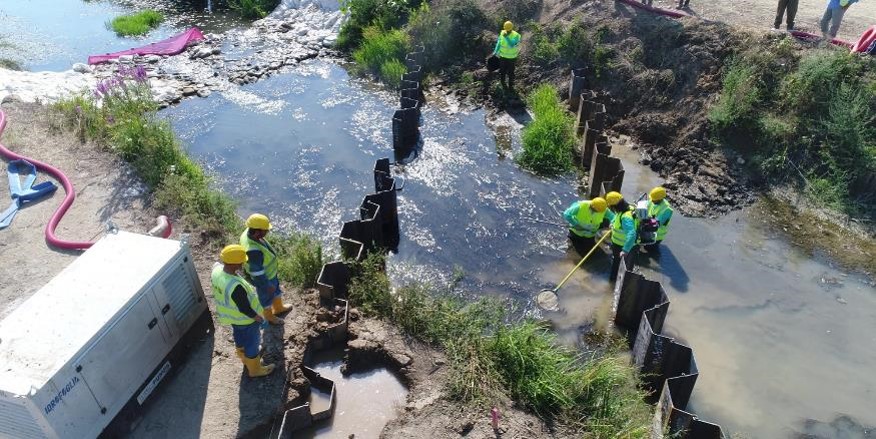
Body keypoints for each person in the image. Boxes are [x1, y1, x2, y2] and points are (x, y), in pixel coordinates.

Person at [211, 244, 276, 378]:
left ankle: (244, 357)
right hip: (246, 320)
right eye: (241, 261)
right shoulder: (236, 286)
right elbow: (245, 308)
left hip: (233, 319)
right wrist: (260, 319)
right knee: (253, 342)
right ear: (234, 263)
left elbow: (215, 265)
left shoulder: (216, 271)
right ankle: (255, 369)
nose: (242, 264)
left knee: (239, 337)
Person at [240, 213, 293, 326]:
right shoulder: (253, 251)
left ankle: (278, 308)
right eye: (265, 230)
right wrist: (266, 285)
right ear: (258, 231)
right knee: (266, 297)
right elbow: (257, 273)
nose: (267, 232)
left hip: (270, 274)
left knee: (276, 290)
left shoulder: (248, 232)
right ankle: (269, 317)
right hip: (264, 279)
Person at [604, 191, 638, 282]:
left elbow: (632, 234)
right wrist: (612, 223)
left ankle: (613, 283)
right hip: (620, 245)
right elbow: (617, 216)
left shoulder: (626, 217)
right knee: (620, 265)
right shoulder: (628, 208)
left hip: (623, 246)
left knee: (619, 268)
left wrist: (625, 250)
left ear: (614, 206)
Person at [493, 21, 521, 91]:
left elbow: (512, 44)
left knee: (511, 72)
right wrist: (495, 52)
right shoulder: (502, 33)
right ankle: (503, 83)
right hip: (502, 56)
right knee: (502, 71)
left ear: (511, 28)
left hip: (512, 58)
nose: (507, 32)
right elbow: (499, 43)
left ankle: (511, 87)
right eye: (506, 30)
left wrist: (506, 37)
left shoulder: (516, 35)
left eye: (509, 30)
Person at [645, 186, 673, 253]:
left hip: (656, 236)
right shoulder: (653, 200)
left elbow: (658, 224)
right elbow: (646, 206)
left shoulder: (667, 209)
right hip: (648, 230)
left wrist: (646, 220)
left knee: (650, 250)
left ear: (660, 199)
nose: (652, 200)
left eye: (654, 199)